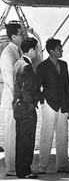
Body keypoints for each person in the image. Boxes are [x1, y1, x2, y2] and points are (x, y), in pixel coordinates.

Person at [36, 38, 69, 174]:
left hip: (63, 104)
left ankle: (62, 165)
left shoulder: (64, 65)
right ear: (51, 51)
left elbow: (67, 86)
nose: (62, 50)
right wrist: (42, 100)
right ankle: (42, 166)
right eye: (59, 48)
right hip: (49, 104)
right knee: (46, 135)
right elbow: (36, 86)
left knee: (63, 136)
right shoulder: (42, 66)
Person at [13, 37, 40, 179]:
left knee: (20, 140)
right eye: (36, 49)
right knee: (27, 141)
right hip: (26, 108)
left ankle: (21, 170)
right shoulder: (27, 66)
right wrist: (30, 106)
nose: (36, 52)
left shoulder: (17, 64)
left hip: (18, 107)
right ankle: (26, 171)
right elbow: (27, 89)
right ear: (31, 49)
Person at [1, 21, 25, 177]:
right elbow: (11, 81)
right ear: (14, 36)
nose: (23, 36)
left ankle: (17, 165)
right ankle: (10, 168)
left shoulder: (17, 51)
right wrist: (22, 97)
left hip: (18, 100)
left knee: (18, 134)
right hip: (11, 101)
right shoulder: (8, 54)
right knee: (10, 135)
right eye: (21, 34)